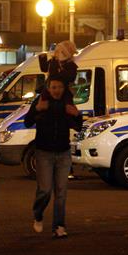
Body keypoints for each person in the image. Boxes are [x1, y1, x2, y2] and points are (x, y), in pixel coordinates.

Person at [24, 76, 83, 238]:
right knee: (44, 190)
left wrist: (77, 114)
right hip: (44, 152)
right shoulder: (41, 101)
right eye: (54, 87)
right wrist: (37, 109)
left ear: (64, 89)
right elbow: (27, 122)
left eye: (60, 87)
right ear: (48, 88)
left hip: (63, 152)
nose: (57, 90)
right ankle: (38, 213)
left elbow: (78, 126)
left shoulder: (67, 102)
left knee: (61, 191)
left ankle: (59, 226)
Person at [38, 40, 78, 105]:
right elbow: (44, 68)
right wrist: (42, 58)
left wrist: (60, 70)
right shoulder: (53, 61)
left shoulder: (71, 65)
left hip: (62, 93)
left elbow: (71, 78)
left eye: (58, 51)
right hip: (49, 90)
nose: (56, 53)